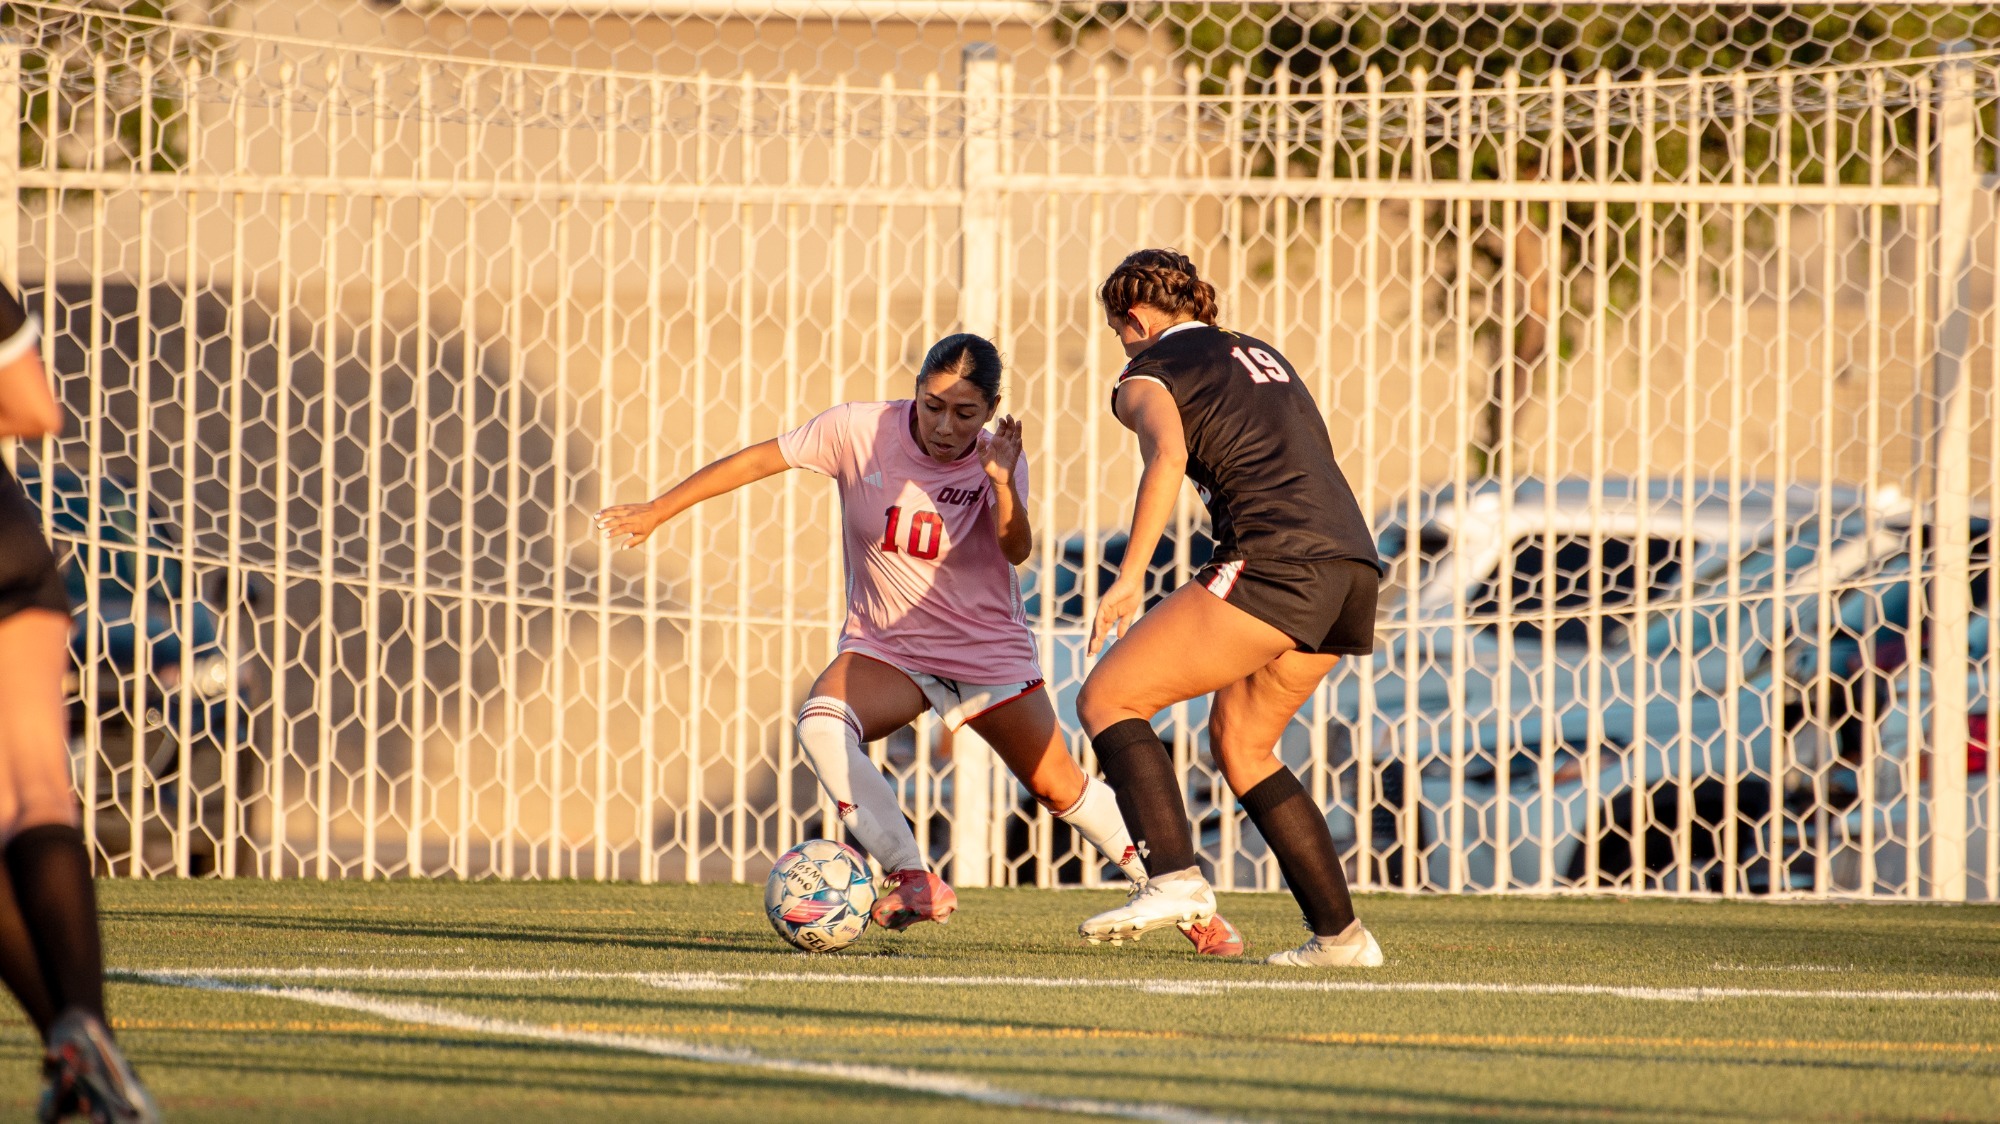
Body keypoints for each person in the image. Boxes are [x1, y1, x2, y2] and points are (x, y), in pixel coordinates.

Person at [597, 334, 1243, 954]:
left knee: (1059, 789)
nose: (944, 425)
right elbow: (757, 460)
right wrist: (660, 509)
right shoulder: (856, 429)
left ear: (990, 411)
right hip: (888, 648)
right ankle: (911, 875)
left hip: (986, 653)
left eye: (965, 413)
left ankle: (1190, 907)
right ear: (915, 392)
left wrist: (1002, 482)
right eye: (933, 405)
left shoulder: (996, 457)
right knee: (822, 723)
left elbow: (1017, 550)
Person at [1073, 250, 1386, 967]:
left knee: (1109, 699)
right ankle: (1341, 938)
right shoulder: (1259, 352)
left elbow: (1167, 456)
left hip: (1275, 561)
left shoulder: (1146, 372)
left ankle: (1174, 878)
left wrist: (1128, 578)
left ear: (1136, 318)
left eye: (1120, 329)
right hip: (1350, 565)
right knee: (1243, 745)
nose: (1121, 343)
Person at [0, 286, 162, 1120]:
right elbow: (33, 407)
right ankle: (82, 1041)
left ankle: (78, 1040)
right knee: (34, 792)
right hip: (8, 547)